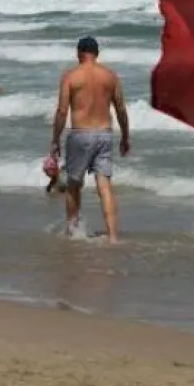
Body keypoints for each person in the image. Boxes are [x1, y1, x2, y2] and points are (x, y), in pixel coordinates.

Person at [50, 36, 130, 243]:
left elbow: (61, 111)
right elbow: (121, 108)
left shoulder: (71, 76)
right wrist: (125, 136)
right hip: (104, 133)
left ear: (79, 53)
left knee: (74, 185)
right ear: (97, 54)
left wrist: (55, 140)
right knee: (105, 186)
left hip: (80, 134)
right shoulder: (110, 76)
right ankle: (112, 237)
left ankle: (73, 232)